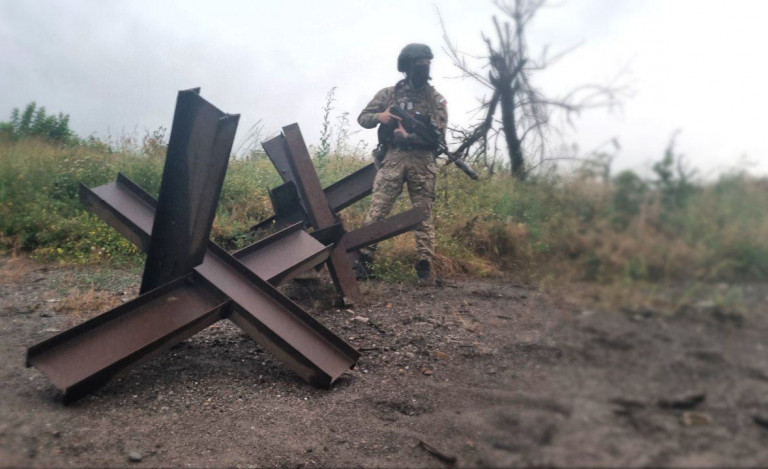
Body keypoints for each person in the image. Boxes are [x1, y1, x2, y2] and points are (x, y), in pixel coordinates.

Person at [356, 43, 448, 282]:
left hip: (422, 161)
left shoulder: (435, 99)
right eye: (419, 64)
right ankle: (364, 261)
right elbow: (363, 118)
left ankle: (424, 266)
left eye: (427, 64)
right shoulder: (389, 94)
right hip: (394, 157)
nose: (424, 68)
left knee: (423, 215)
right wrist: (381, 116)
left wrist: (412, 137)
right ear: (407, 67)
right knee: (378, 209)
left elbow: (439, 137)